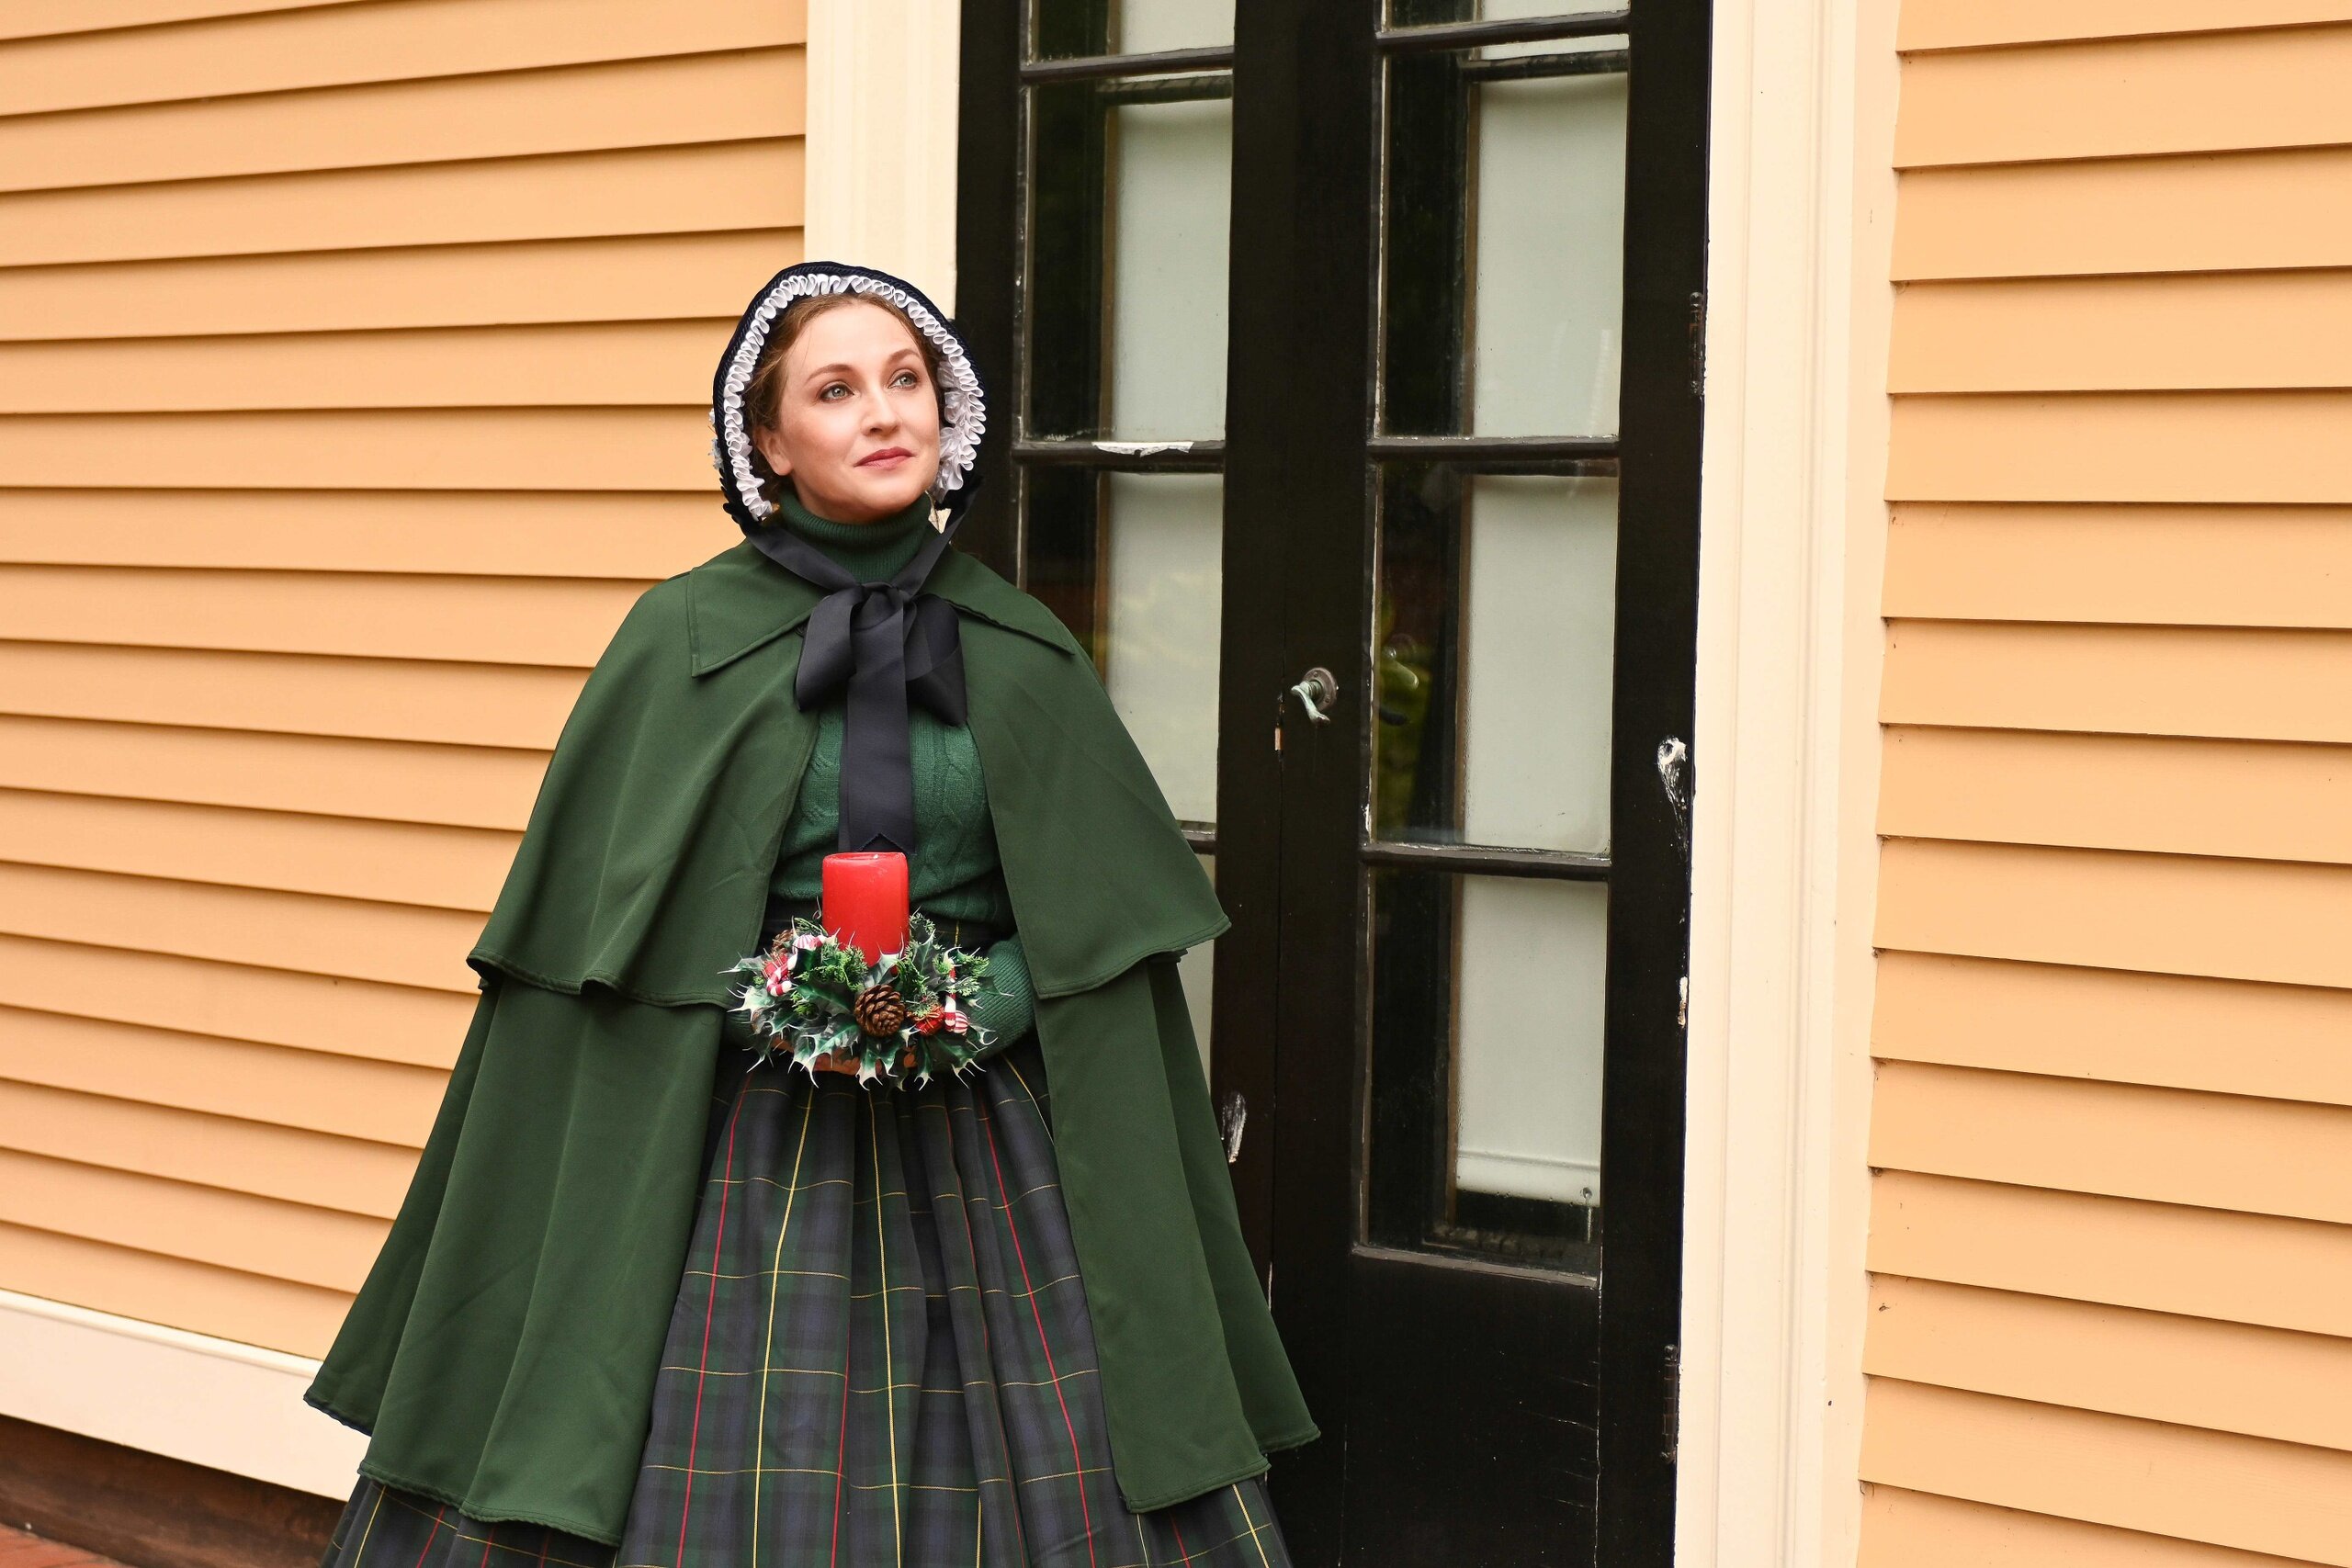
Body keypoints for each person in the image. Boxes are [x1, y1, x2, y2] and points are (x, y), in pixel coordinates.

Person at [304, 262, 1317, 1566]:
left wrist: (975, 1005)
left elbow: (1088, 928)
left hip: (985, 1136)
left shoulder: (1018, 645)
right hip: (731, 1133)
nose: (884, 413)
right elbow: (609, 945)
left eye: (907, 381)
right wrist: (771, 999)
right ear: (769, 441)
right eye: (835, 390)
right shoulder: (680, 640)